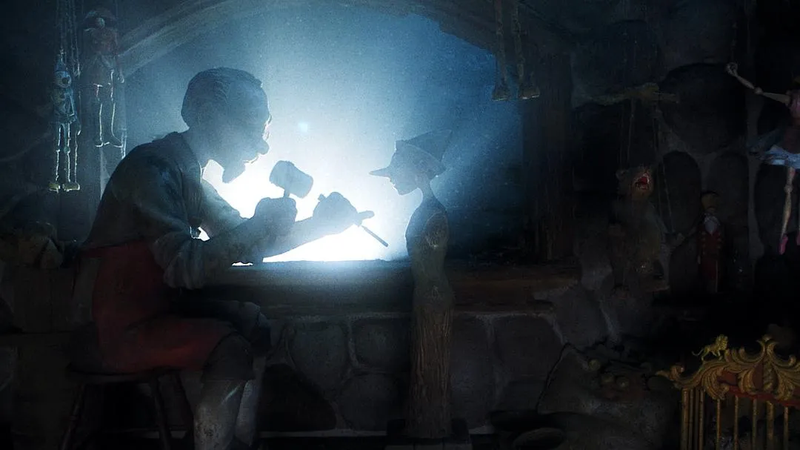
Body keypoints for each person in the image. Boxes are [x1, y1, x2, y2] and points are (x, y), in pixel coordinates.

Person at [78, 68, 372, 450]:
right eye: (249, 126)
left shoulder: (186, 175)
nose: (261, 146)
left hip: (154, 310)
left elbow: (248, 246)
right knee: (231, 349)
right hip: (115, 328)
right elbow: (185, 267)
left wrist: (321, 225)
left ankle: (234, 441)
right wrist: (259, 225)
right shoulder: (151, 170)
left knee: (254, 324)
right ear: (205, 115)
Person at [370, 130, 455, 439]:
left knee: (430, 364)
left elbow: (431, 259)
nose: (392, 178)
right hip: (426, 296)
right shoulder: (428, 211)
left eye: (397, 169)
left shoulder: (433, 213)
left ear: (418, 167)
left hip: (433, 298)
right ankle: (425, 424)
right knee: (424, 363)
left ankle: (431, 426)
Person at [726, 62, 800, 254]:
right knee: (788, 189)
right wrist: (737, 76)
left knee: (789, 189)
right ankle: (784, 235)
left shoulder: (791, 99)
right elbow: (759, 91)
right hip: (792, 141)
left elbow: (758, 91)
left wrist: (737, 76)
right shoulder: (791, 98)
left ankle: (786, 234)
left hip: (792, 141)